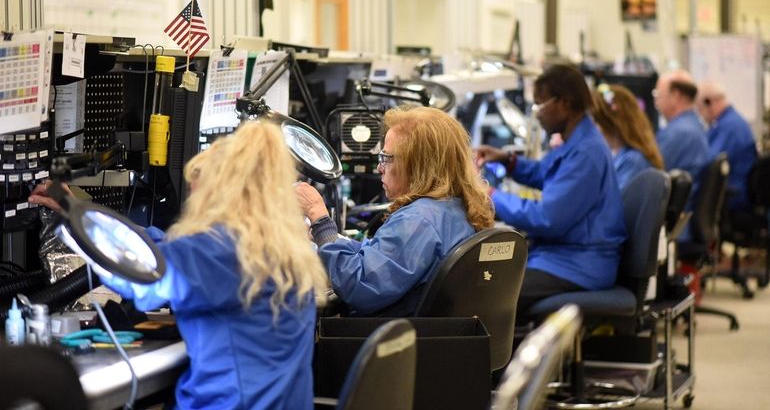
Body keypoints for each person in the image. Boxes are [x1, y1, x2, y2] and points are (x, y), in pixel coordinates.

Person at [31, 123, 328, 410]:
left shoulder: (216, 252)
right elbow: (163, 246)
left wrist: (76, 216)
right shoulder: (283, 252)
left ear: (219, 197)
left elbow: (142, 277)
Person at [295, 105, 495, 316]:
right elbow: (387, 258)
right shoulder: (456, 209)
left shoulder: (418, 220)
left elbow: (359, 287)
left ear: (417, 165)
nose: (379, 168)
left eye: (386, 158)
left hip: (386, 340)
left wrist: (319, 217)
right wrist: (329, 239)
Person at [475, 64, 627, 318]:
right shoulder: (577, 141)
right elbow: (544, 172)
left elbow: (547, 218)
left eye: (539, 106)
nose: (536, 115)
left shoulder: (587, 153)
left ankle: (506, 357)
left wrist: (489, 195)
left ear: (564, 103)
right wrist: (506, 160)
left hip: (578, 264)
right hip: (562, 256)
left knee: (492, 296)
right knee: (484, 279)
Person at [654, 69, 710, 241]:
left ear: (676, 96)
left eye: (658, 94)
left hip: (675, 223)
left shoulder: (678, 133)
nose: (655, 100)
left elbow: (651, 175)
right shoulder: (694, 125)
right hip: (685, 218)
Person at [697, 80, 758, 211]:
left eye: (700, 108)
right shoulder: (725, 123)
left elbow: (710, 161)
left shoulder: (730, 126)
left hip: (734, 196)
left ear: (709, 102)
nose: (700, 114)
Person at [592, 83, 664, 189]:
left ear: (611, 124)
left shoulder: (632, 161)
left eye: (595, 122)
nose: (593, 129)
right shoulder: (622, 156)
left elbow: (615, 203)